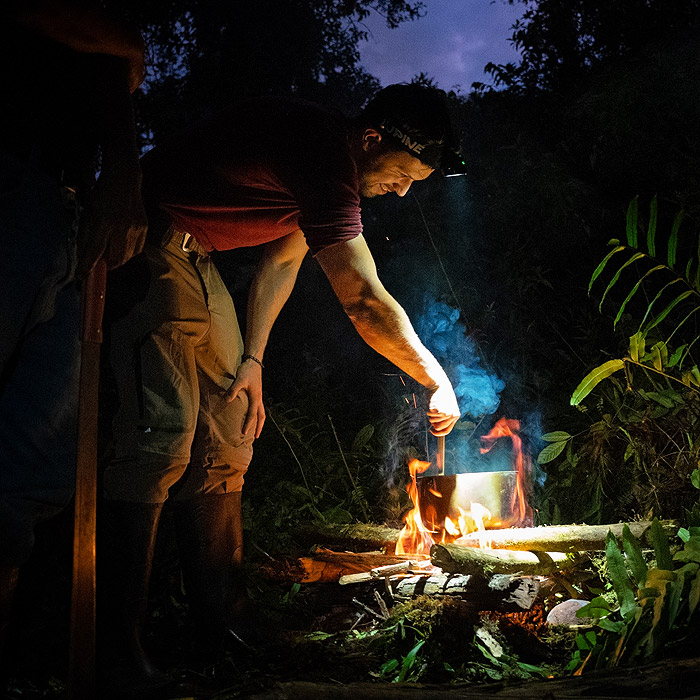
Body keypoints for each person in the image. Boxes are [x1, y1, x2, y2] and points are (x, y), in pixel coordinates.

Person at [103, 82, 464, 693]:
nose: (402, 190)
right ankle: (114, 653)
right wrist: (434, 376)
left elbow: (282, 261)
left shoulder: (329, 172)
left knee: (227, 436)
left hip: (198, 258)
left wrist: (253, 360)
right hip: (145, 238)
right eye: (402, 174)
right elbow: (362, 297)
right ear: (371, 138)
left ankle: (224, 621)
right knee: (159, 438)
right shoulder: (322, 150)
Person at [0, 0, 147, 682]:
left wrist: (119, 173)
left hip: (67, 200)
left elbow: (110, 68)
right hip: (12, 180)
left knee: (36, 463)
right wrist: (122, 40)